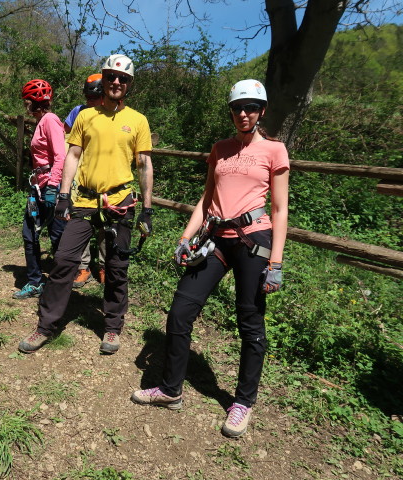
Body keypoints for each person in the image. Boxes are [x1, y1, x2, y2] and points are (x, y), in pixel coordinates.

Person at [131, 79, 290, 439]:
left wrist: (276, 262)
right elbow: (206, 199)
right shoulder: (220, 148)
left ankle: (243, 402)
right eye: (237, 108)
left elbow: (280, 210)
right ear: (231, 112)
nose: (244, 114)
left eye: (251, 107)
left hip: (253, 239)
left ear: (261, 111)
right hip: (214, 237)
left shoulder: (275, 151)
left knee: (250, 322)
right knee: (180, 310)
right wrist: (186, 237)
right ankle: (171, 389)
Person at [18, 54, 154, 355]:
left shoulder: (137, 120)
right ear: (103, 80)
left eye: (123, 79)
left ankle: (112, 327)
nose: (116, 82)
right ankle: (46, 325)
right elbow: (73, 156)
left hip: (120, 202)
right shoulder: (84, 117)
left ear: (129, 84)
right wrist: (63, 195)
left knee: (117, 267)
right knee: (64, 260)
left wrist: (147, 209)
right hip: (84, 200)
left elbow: (144, 165)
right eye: (111, 77)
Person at [13, 79, 67, 300]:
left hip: (48, 187)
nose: (25, 104)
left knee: (57, 237)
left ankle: (60, 282)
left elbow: (61, 155)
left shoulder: (50, 120)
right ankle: (37, 281)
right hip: (39, 187)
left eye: (26, 101)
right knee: (31, 234)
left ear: (32, 102)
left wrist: (54, 186)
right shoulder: (42, 121)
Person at [64, 73, 107, 288]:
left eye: (95, 97)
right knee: (79, 219)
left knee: (105, 224)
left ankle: (105, 267)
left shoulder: (111, 114)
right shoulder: (78, 112)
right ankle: (83, 267)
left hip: (106, 177)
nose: (90, 101)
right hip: (80, 178)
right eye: (88, 97)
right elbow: (67, 140)